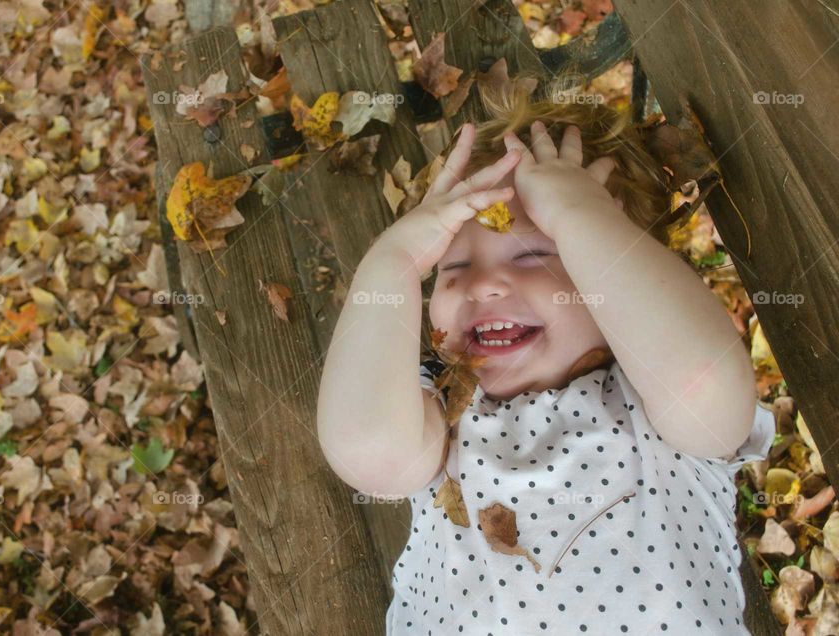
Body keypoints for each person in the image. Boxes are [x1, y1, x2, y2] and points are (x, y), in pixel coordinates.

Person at [316, 74, 775, 634]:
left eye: (535, 253)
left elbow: (706, 379)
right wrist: (392, 263)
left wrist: (581, 215)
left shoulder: (657, 407)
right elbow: (369, 454)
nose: (483, 286)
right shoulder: (439, 410)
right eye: (451, 268)